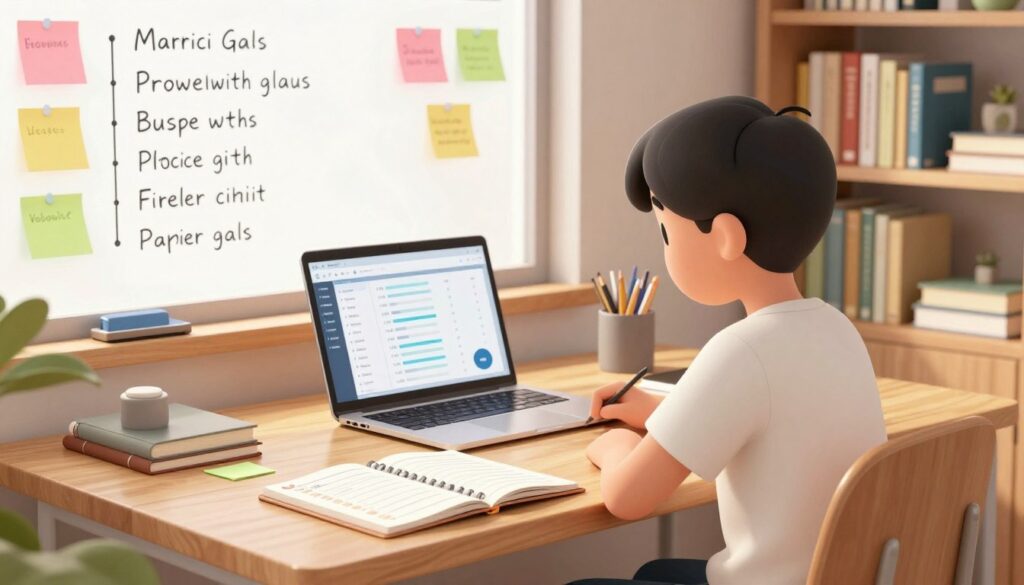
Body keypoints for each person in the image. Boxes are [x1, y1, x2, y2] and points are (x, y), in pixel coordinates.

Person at [572, 96, 887, 585]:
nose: (666, 249)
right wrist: (661, 414)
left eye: (666, 233)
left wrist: (613, 447)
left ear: (725, 237)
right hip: (827, 576)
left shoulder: (742, 350)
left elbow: (626, 498)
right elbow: (765, 427)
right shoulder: (834, 329)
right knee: (656, 571)